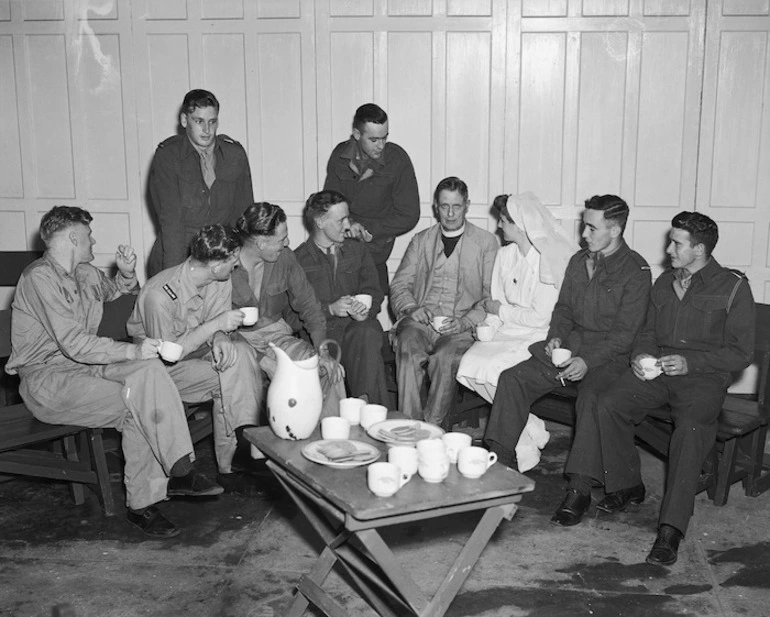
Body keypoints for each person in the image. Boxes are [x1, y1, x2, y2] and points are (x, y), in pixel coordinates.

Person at [6, 206, 221, 539]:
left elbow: (117, 292)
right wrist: (132, 350)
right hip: (48, 380)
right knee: (137, 403)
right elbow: (74, 344)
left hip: (87, 369)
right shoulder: (39, 278)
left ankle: (180, 469)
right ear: (73, 236)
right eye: (88, 234)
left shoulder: (87, 273)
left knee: (149, 372)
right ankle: (143, 503)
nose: (93, 240)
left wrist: (126, 274)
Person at [590, 212, 755, 566]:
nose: (668, 249)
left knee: (691, 429)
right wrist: (640, 355)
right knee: (609, 403)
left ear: (698, 249)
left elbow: (741, 352)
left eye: (677, 243)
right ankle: (626, 485)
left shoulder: (733, 286)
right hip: (660, 371)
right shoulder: (666, 282)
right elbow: (647, 331)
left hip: (703, 379)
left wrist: (692, 363)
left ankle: (671, 529)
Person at [484, 195, 651, 490]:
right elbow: (562, 310)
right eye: (584, 227)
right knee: (513, 379)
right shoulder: (578, 261)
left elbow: (625, 334)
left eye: (591, 228)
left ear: (615, 230)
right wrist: (556, 337)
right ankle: (501, 463)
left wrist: (587, 362)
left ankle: (579, 487)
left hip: (608, 359)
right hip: (569, 349)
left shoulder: (636, 270)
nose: (583, 235)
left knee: (590, 399)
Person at [127, 224, 264, 495]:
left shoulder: (218, 280)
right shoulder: (159, 295)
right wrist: (215, 327)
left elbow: (216, 324)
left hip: (194, 358)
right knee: (234, 374)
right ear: (215, 265)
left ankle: (238, 453)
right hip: (155, 372)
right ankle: (242, 449)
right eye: (233, 260)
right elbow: (168, 357)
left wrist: (221, 335)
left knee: (238, 358)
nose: (237, 265)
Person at [456, 192, 578, 471]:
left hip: (536, 334)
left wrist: (500, 312)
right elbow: (496, 301)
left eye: (504, 222)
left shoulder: (546, 260)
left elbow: (539, 317)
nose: (499, 227)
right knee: (469, 366)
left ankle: (518, 447)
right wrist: (488, 326)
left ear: (520, 224)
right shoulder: (505, 254)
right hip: (506, 330)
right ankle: (529, 427)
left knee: (496, 372)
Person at [389, 176, 498, 425]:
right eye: (444, 206)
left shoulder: (486, 243)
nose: (449, 214)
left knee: (445, 358)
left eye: (456, 206)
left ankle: (431, 429)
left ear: (467, 206)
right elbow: (400, 284)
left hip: (460, 327)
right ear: (435, 206)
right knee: (407, 347)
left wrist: (465, 322)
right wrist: (411, 307)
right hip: (421, 322)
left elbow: (490, 296)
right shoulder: (421, 240)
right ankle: (408, 426)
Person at [231, 202, 345, 415]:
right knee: (246, 387)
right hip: (238, 343)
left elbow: (310, 306)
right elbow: (216, 328)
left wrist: (322, 351)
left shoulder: (285, 257)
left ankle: (332, 439)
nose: (288, 243)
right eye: (281, 239)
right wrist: (264, 362)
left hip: (277, 336)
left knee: (327, 369)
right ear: (260, 242)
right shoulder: (226, 265)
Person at [294, 190, 389, 405]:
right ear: (319, 221)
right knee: (365, 351)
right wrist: (330, 309)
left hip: (356, 331)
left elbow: (374, 292)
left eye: (347, 218)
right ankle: (366, 410)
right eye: (340, 220)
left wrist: (365, 310)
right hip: (321, 335)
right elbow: (291, 315)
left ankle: (363, 405)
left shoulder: (357, 250)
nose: (347, 225)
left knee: (366, 333)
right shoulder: (298, 260)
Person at [147, 89, 254, 277]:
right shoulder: (168, 156)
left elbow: (243, 215)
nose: (207, 130)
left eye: (212, 122)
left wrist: (240, 262)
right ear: (183, 120)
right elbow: (171, 222)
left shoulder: (234, 154)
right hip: (180, 255)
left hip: (222, 256)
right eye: (199, 121)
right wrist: (174, 279)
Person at [323, 103, 419, 295]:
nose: (381, 146)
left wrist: (368, 230)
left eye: (385, 138)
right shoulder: (340, 156)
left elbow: (409, 214)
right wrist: (348, 223)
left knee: (369, 306)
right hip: (341, 245)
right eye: (374, 139)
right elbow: (329, 201)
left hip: (375, 250)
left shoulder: (397, 159)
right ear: (357, 135)